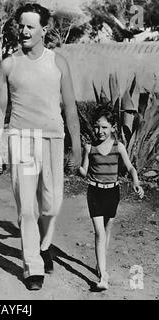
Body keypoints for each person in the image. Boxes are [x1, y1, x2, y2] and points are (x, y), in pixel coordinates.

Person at [0, 3, 81, 290]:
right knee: (27, 207)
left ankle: (44, 245)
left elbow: (70, 107)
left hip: (53, 138)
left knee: (52, 205)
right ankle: (32, 265)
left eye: (31, 26)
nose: (25, 30)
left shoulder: (58, 62)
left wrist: (76, 148)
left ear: (45, 29)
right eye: (22, 25)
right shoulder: (9, 64)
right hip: (22, 139)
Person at [79, 105, 144, 290]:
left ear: (113, 127)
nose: (100, 131)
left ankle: (101, 264)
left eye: (105, 127)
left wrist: (136, 182)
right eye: (97, 127)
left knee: (107, 231)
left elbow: (130, 168)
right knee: (99, 233)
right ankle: (103, 276)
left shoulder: (119, 146)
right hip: (94, 193)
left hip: (112, 193)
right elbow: (84, 171)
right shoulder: (89, 147)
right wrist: (80, 169)